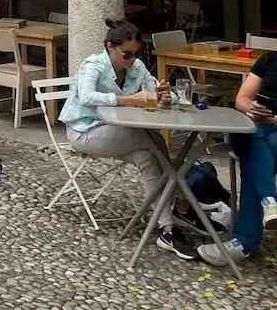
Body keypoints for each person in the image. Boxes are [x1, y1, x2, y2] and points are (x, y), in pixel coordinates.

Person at [55, 20, 199, 260]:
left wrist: (167, 95)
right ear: (110, 47)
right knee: (147, 136)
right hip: (85, 131)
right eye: (127, 53)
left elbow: (154, 88)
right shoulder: (93, 65)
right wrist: (129, 100)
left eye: (136, 53)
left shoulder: (136, 66)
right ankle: (183, 197)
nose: (131, 59)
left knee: (148, 157)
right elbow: (87, 96)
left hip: (117, 132)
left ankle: (167, 229)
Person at [198, 46, 277, 266]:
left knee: (258, 152)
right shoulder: (269, 59)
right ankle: (269, 202)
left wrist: (272, 120)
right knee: (244, 132)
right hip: (258, 128)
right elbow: (241, 98)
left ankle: (245, 241)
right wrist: (251, 108)